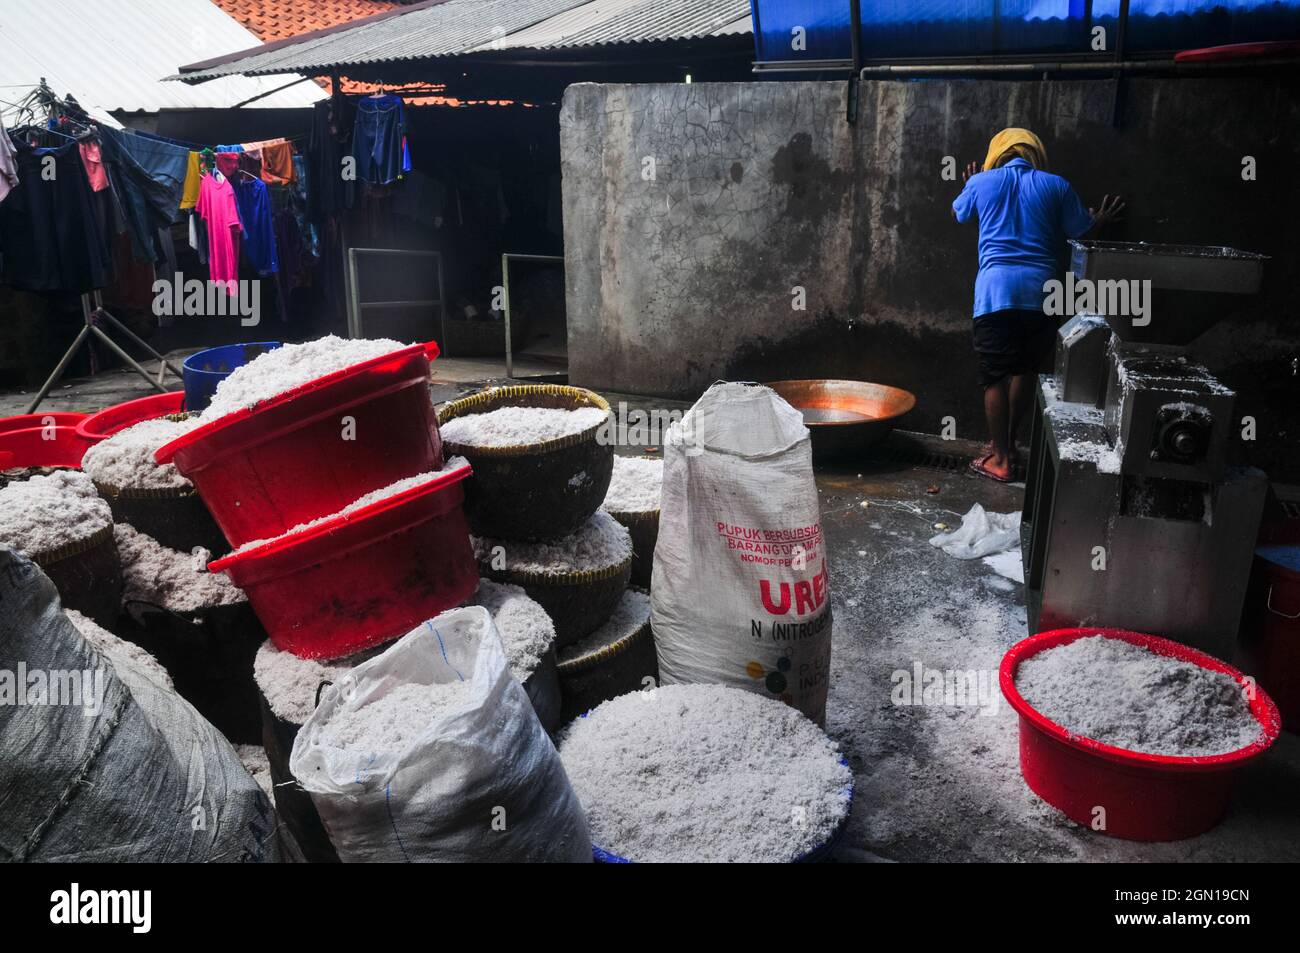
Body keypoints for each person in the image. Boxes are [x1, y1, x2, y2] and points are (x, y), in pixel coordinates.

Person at [952, 128, 1123, 482]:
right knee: (1025, 370)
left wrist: (973, 183)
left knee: (993, 378)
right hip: (1042, 293)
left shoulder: (983, 181)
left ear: (996, 154)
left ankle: (998, 458)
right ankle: (1010, 444)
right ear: (1035, 154)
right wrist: (1101, 221)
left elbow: (960, 213)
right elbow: (1081, 230)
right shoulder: (1055, 184)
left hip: (995, 293)